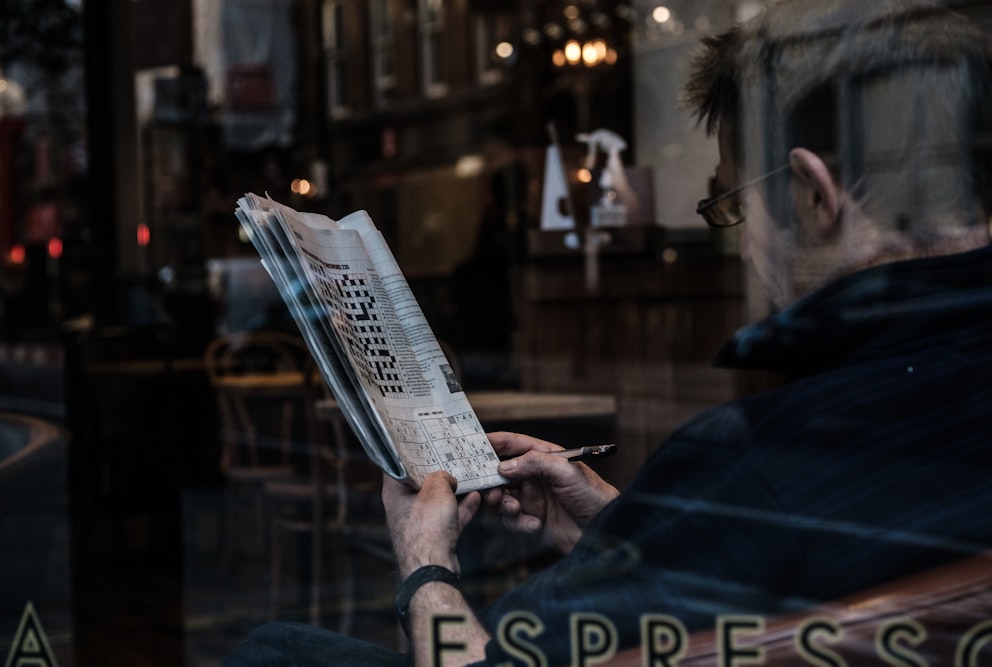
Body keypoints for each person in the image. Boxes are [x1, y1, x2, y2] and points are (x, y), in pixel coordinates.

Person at [224, 0, 992, 664]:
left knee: (273, 650)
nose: (747, 248)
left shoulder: (762, 454)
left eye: (733, 204)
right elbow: (756, 560)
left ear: (811, 191)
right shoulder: (912, 414)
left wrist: (426, 566)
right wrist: (626, 526)